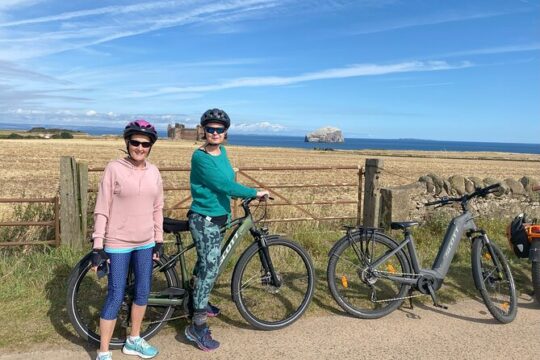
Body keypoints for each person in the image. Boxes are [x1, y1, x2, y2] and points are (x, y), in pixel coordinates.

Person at [184, 108, 269, 351]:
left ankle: (196, 300)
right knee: (210, 267)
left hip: (220, 218)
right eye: (210, 129)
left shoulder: (222, 152)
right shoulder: (200, 157)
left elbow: (226, 181)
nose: (214, 132)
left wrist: (236, 199)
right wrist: (254, 192)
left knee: (205, 264)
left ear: (225, 133)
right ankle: (197, 326)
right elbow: (223, 184)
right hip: (204, 219)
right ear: (204, 131)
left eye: (219, 129)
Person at [91, 120, 164, 360]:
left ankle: (133, 339)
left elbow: (158, 208)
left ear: (150, 147)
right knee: (115, 294)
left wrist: (159, 240)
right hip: (118, 242)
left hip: (145, 242)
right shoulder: (114, 168)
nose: (140, 148)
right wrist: (97, 246)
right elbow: (102, 208)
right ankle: (103, 352)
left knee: (143, 291)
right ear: (127, 143)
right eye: (135, 142)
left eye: (145, 144)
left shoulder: (154, 172)